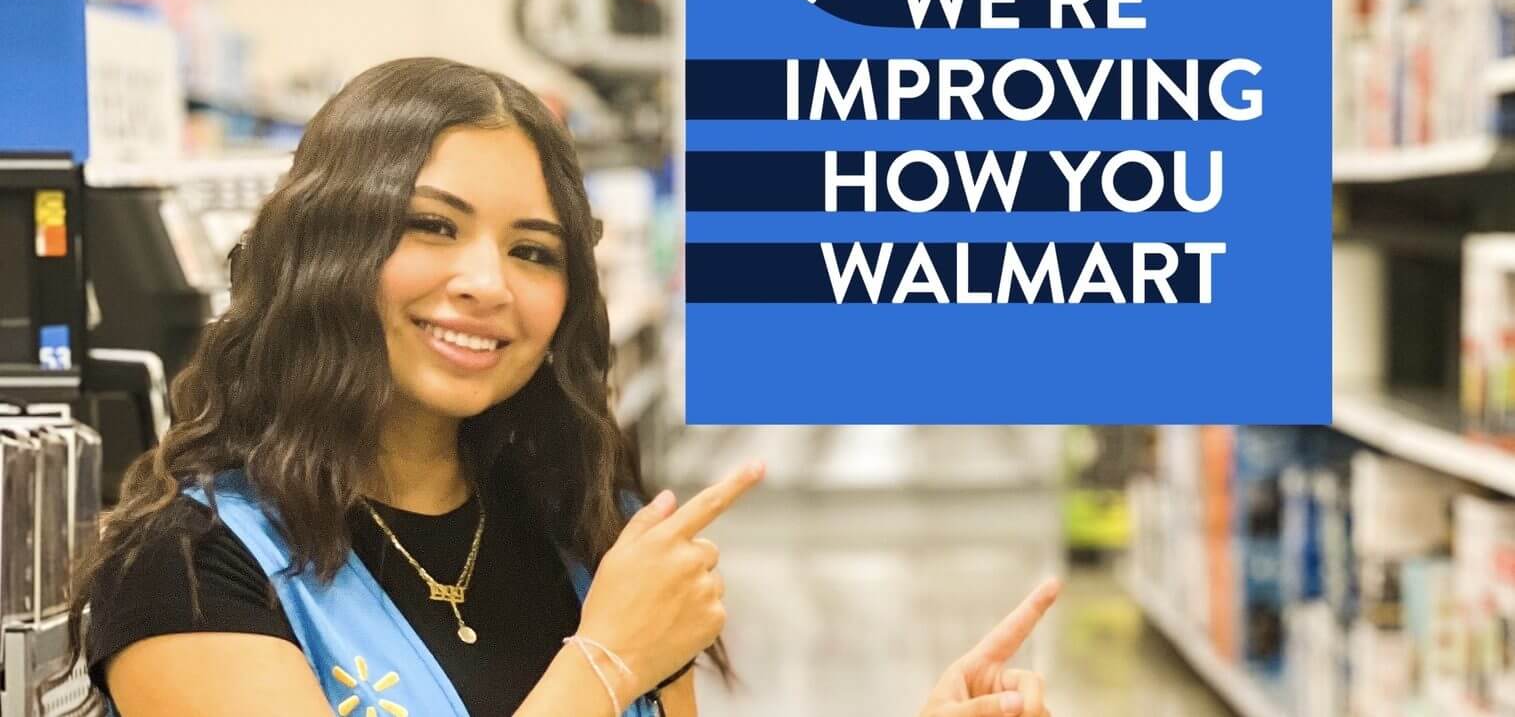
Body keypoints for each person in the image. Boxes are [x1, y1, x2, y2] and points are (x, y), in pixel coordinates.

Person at [68, 57, 1060, 717]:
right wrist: (603, 665)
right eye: (433, 225)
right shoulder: (189, 570)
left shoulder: (583, 532)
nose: (489, 283)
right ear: (325, 248)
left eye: (534, 249)